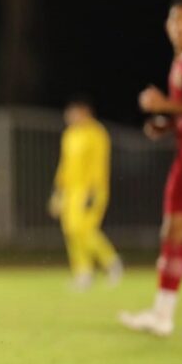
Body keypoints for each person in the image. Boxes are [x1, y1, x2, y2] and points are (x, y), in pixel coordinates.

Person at [120, 0, 182, 337]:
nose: (178, 26)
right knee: (172, 232)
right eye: (173, 20)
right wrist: (165, 124)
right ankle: (162, 315)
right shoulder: (181, 60)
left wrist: (165, 105)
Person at [48, 96, 122, 290]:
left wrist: (92, 191)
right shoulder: (70, 135)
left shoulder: (96, 133)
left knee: (86, 230)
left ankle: (112, 263)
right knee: (71, 231)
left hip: (92, 190)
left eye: (73, 113)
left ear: (84, 113)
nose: (69, 117)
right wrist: (58, 192)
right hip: (71, 191)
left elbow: (99, 164)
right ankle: (83, 272)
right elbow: (64, 165)